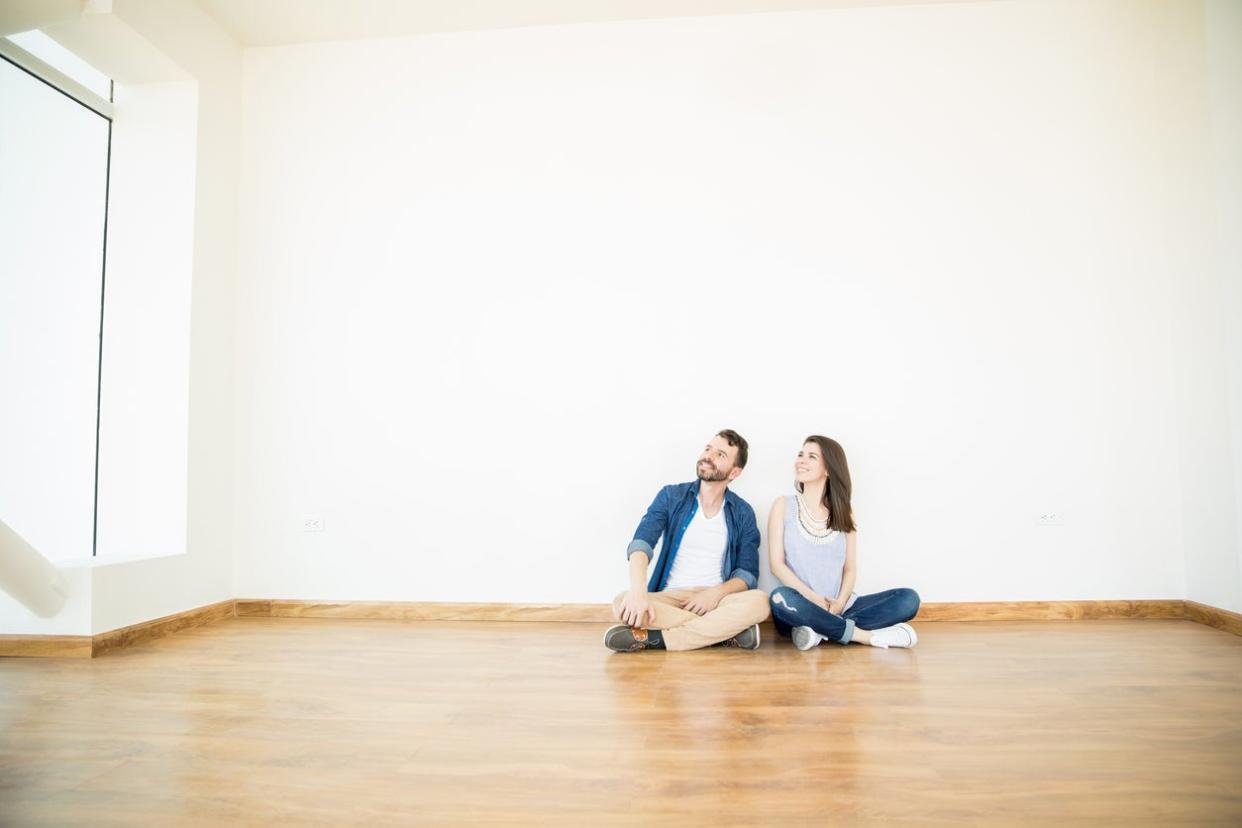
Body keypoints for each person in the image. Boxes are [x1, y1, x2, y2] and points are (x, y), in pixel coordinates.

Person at [605, 430, 770, 652]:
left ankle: (656, 639)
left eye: (720, 455)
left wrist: (715, 593)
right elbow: (641, 544)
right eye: (708, 449)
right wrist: (637, 591)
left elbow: (747, 575)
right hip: (671, 597)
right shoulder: (671, 496)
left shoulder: (742, 512)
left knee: (760, 602)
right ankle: (726, 634)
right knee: (622, 602)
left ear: (735, 472)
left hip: (717, 601)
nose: (708, 456)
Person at [768, 435, 920, 650]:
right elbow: (777, 565)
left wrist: (839, 602)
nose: (801, 460)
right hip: (800, 604)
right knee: (779, 598)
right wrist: (815, 600)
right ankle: (864, 636)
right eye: (800, 454)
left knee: (908, 599)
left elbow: (849, 568)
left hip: (840, 607)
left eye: (811, 456)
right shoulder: (783, 505)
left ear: (828, 469)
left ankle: (820, 631)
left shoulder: (844, 512)